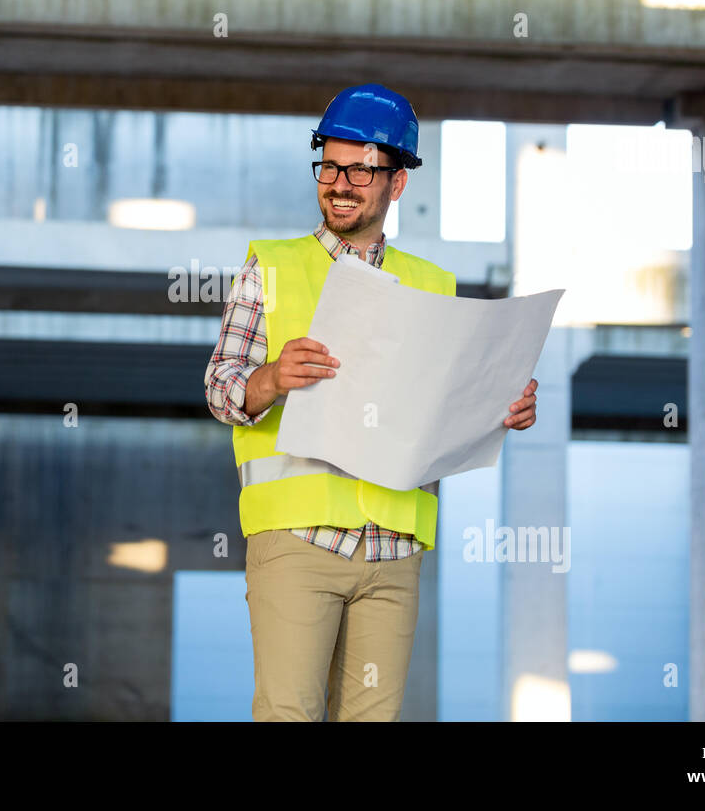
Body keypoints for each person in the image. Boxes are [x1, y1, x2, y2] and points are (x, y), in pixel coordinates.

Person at [204, 82, 538, 721]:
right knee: (288, 715)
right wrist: (270, 378)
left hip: (393, 550)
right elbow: (221, 387)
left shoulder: (431, 286)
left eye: (361, 169)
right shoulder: (269, 268)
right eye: (329, 165)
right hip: (297, 543)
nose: (340, 183)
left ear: (397, 184)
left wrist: (505, 404)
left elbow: (448, 408)